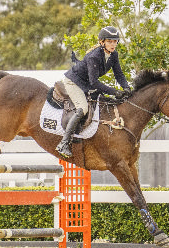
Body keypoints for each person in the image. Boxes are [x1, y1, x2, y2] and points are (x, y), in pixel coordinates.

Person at [56, 26, 132, 157]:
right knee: (82, 109)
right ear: (102, 42)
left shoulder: (114, 55)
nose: (113, 44)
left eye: (115, 41)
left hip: (86, 83)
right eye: (110, 41)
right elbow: (94, 83)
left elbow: (119, 74)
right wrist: (114, 92)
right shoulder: (94, 56)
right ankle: (64, 143)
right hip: (74, 82)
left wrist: (126, 87)